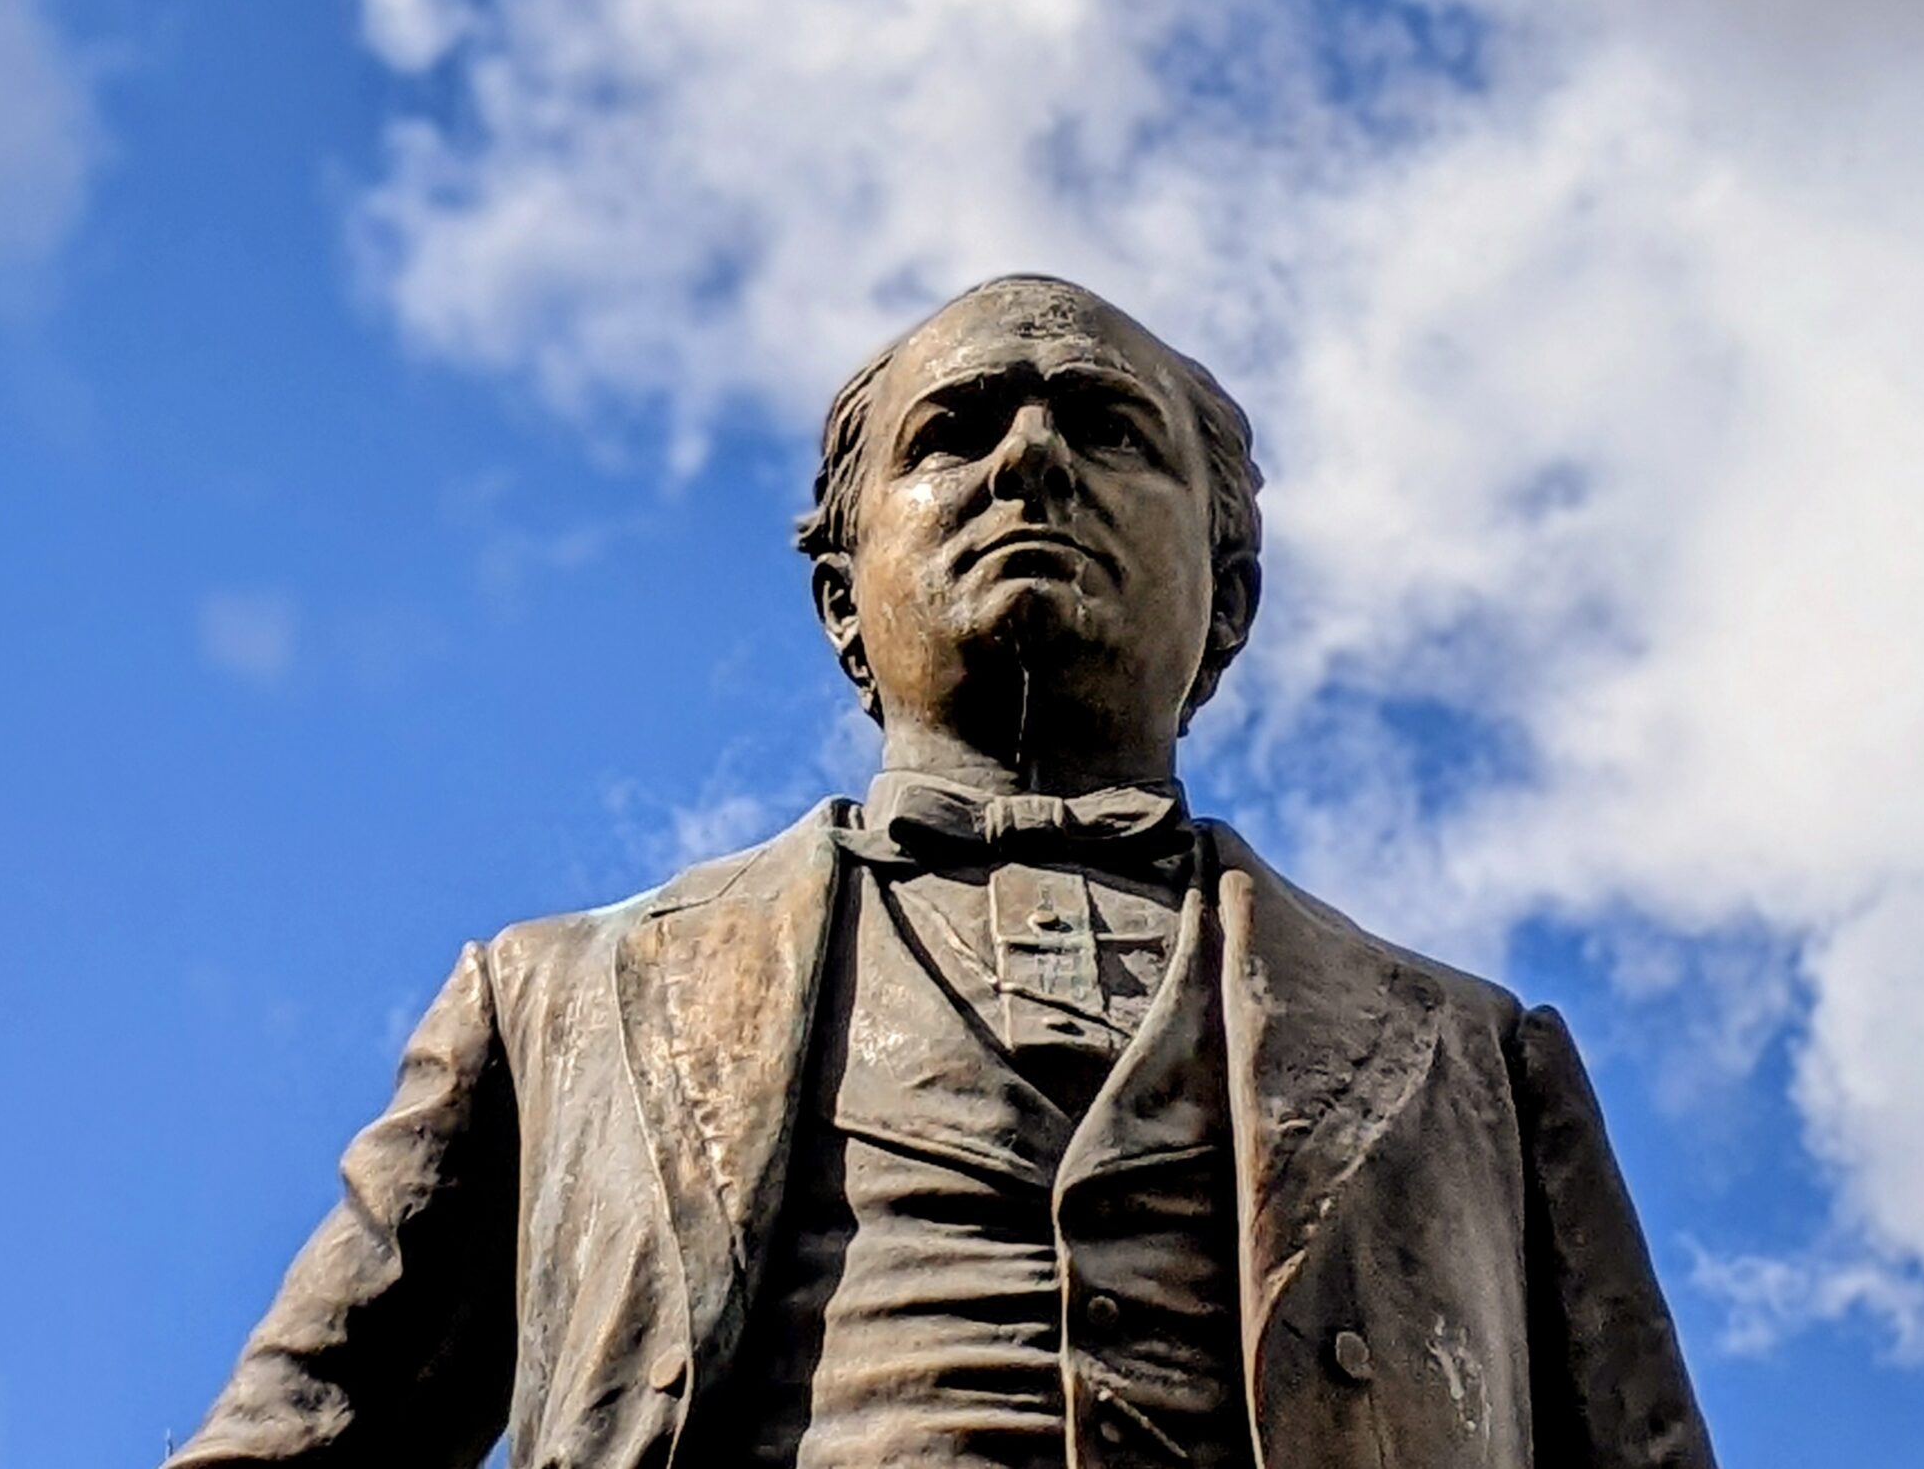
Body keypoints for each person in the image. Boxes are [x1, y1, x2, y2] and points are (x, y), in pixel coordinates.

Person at [164, 275, 1717, 1468]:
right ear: (845, 598)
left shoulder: (1473, 1060)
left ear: (1227, 602)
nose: (1030, 455)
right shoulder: (561, 999)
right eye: (956, 429)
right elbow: (300, 1434)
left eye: (1106, 430)